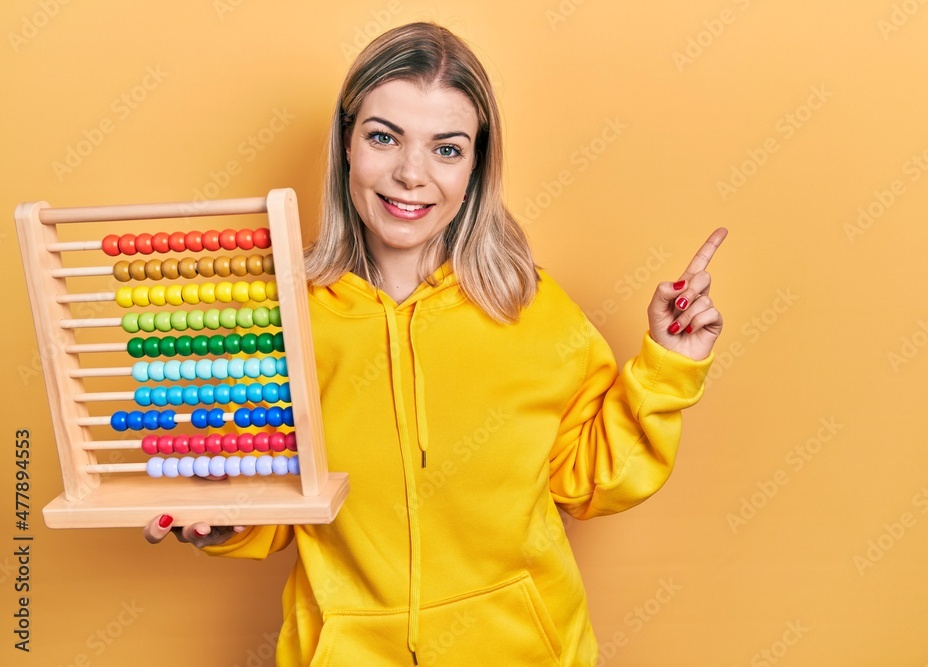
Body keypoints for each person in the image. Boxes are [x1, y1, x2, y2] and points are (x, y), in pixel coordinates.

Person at [145, 21, 725, 666]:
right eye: (384, 138)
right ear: (346, 145)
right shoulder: (282, 322)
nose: (411, 174)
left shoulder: (528, 308)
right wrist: (223, 521)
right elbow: (281, 501)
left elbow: (590, 479)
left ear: (476, 165)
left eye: (446, 149)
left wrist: (667, 365)